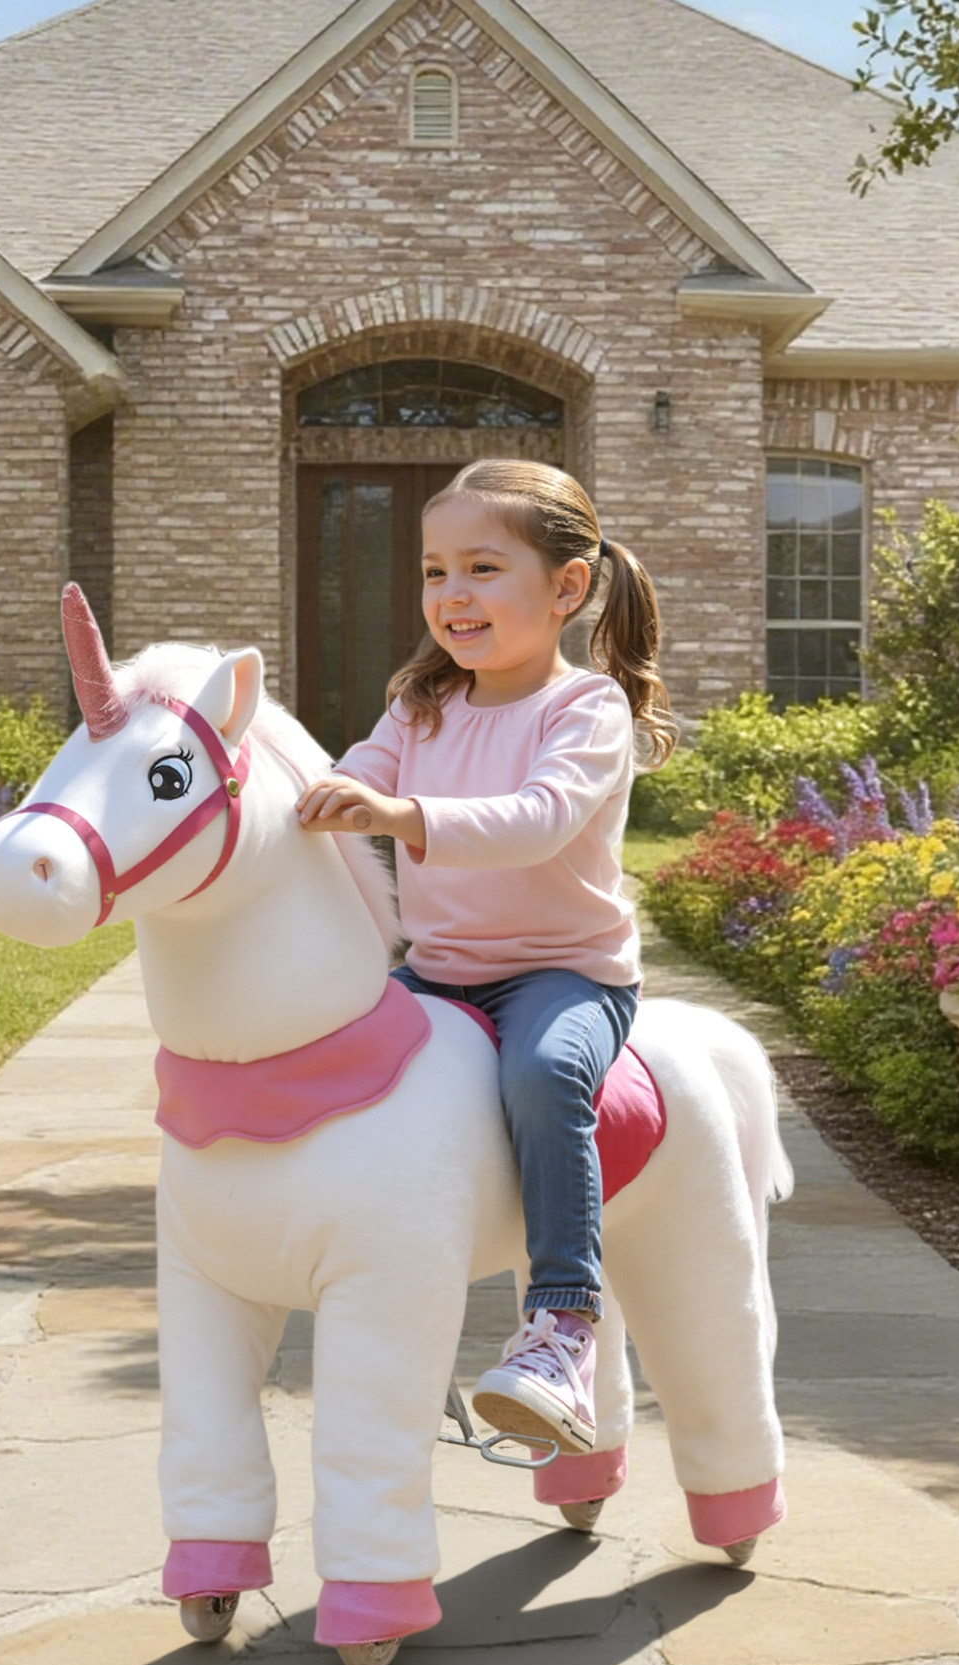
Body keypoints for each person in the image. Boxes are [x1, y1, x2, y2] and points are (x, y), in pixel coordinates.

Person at [294, 457, 674, 1454]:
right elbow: (346, 781)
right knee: (332, 1071)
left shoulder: (583, 711)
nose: (450, 595)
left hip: (560, 973)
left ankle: (561, 1327)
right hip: (438, 970)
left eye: (480, 568)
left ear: (565, 588)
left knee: (544, 1073)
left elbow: (537, 820)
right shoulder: (419, 703)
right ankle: (378, 1300)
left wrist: (400, 815)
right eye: (432, 572)